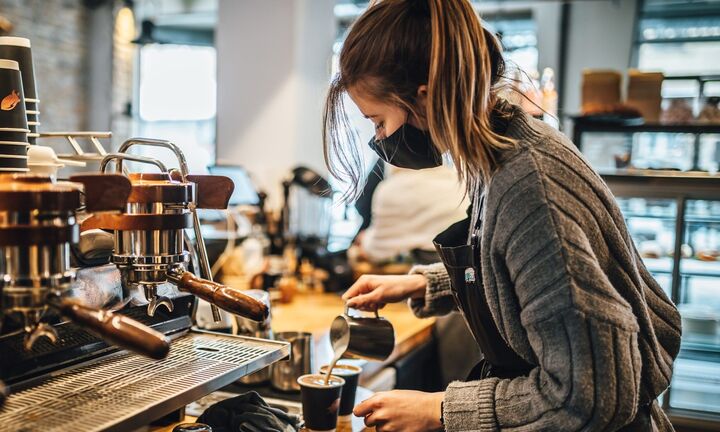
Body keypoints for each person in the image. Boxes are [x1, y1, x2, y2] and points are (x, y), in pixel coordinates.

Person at [322, 1, 682, 431]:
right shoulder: (499, 149)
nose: (379, 140)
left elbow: (589, 395)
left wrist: (438, 410)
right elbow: (516, 271)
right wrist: (426, 282)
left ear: (425, 95)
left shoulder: (532, 187)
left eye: (378, 121)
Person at [356, 163, 468, 263]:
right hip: (463, 261)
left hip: (428, 265)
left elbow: (376, 250)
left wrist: (364, 240)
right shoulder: (457, 179)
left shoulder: (390, 190)